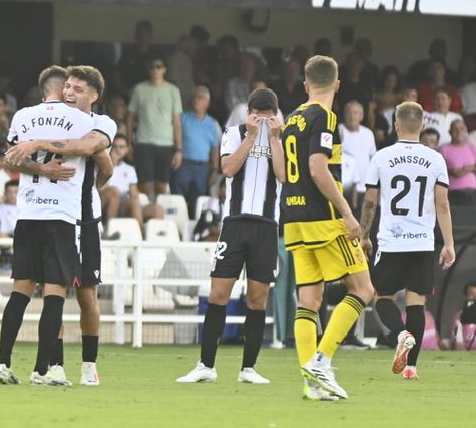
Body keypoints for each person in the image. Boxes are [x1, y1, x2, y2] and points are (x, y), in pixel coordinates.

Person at [8, 66, 116, 387]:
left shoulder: (101, 123)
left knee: (86, 296)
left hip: (85, 219)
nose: (69, 93)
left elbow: (99, 160)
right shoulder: (49, 117)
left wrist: (39, 143)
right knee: (53, 290)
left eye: (78, 89)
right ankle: (54, 364)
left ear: (94, 96)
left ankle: (89, 363)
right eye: (67, 87)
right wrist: (38, 162)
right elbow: (14, 155)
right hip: (53, 218)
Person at [281, 55, 377, 402]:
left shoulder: (292, 118)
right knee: (363, 288)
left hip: (293, 219)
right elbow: (318, 168)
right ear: (337, 85)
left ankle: (311, 382)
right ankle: (322, 361)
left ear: (306, 85)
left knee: (310, 299)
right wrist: (347, 213)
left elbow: (285, 171)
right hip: (323, 219)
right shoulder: (324, 116)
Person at [178, 87, 285, 385]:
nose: (262, 120)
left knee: (257, 298)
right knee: (219, 293)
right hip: (234, 224)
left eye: (267, 115)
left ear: (275, 115)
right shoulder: (234, 132)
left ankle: (248, 368)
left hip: (266, 225)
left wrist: (274, 138)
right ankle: (205, 365)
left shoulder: (284, 137)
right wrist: (251, 137)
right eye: (257, 115)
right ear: (248, 113)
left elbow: (284, 175)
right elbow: (227, 168)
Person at [359, 101, 455, 382]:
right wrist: (448, 243)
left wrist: (364, 235)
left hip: (392, 241)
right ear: (423, 125)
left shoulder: (381, 156)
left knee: (381, 297)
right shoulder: (436, 159)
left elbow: (370, 201)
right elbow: (443, 205)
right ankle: (411, 367)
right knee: (417, 302)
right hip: (423, 242)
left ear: (396, 125)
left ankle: (401, 335)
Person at [127, 55, 183, 202]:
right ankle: (143, 213)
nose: (155, 70)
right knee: (144, 184)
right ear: (148, 69)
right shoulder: (139, 89)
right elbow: (130, 117)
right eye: (152, 66)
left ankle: (158, 216)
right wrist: (129, 143)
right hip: (145, 142)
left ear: (164, 69)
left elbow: (176, 121)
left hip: (166, 143)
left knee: (162, 185)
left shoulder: (173, 90)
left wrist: (179, 149)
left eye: (159, 66)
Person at [175, 85, 221, 208]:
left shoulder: (212, 123)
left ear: (207, 102)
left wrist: (215, 170)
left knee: (198, 200)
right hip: (184, 164)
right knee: (179, 197)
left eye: (200, 98)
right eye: (194, 97)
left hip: (203, 168)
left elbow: (215, 148)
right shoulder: (183, 118)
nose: (196, 100)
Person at [440, 119, 476, 206]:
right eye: (455, 129)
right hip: (452, 193)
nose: (458, 132)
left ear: (466, 131)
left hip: (471, 193)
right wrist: (451, 171)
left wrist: (469, 168)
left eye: (461, 129)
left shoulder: (472, 148)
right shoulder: (443, 149)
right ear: (450, 132)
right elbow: (435, 170)